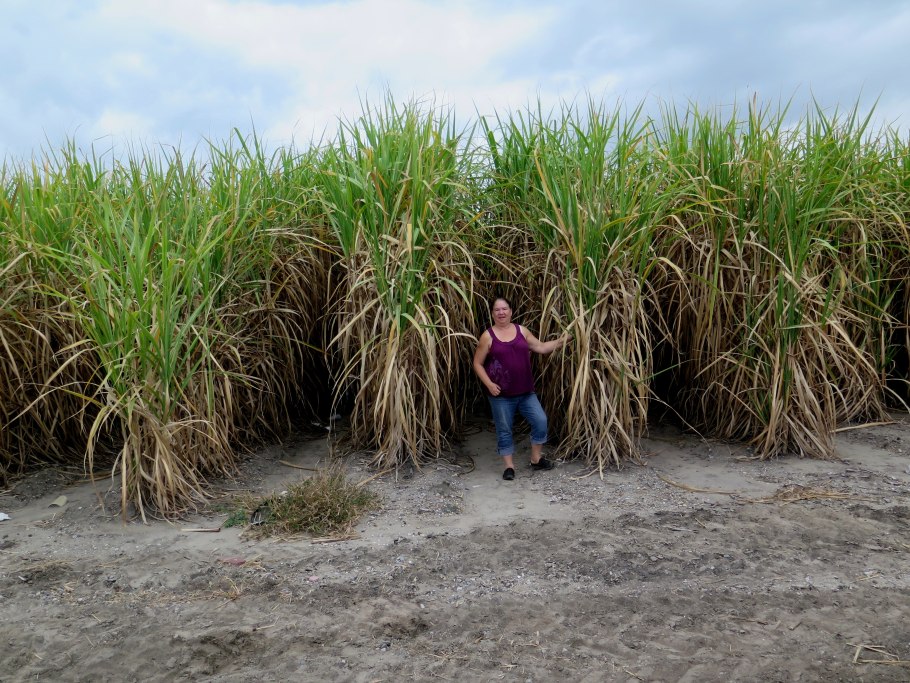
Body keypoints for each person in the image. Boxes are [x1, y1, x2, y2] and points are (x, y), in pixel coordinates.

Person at [472, 296, 569, 480]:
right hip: (501, 395)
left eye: (504, 309)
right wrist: (489, 384)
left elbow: (541, 347)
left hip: (526, 392)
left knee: (540, 420)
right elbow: (477, 363)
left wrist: (568, 337)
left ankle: (535, 459)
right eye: (497, 310)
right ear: (492, 313)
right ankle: (509, 467)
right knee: (504, 429)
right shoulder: (487, 336)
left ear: (511, 311)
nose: (501, 312)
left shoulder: (521, 331)